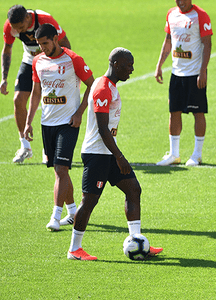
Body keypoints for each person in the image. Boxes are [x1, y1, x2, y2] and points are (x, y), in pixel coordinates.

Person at [67, 47, 163, 261]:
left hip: (107, 152)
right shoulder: (102, 88)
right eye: (129, 65)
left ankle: (137, 241)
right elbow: (102, 128)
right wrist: (119, 156)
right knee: (89, 200)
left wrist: (116, 155)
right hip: (97, 154)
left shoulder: (110, 85)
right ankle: (74, 249)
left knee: (133, 189)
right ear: (117, 64)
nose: (132, 69)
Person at [22, 24, 93, 231]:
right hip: (47, 123)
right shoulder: (37, 62)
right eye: (39, 44)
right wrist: (28, 122)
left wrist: (79, 112)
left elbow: (92, 84)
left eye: (45, 43)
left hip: (68, 123)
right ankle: (72, 212)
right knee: (59, 171)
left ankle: (55, 216)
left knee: (61, 168)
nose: (42, 48)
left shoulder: (73, 59)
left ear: (55, 39)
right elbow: (36, 93)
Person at [1, 5, 71, 163]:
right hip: (29, 61)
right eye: (15, 28)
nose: (18, 31)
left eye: (20, 27)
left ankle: (48, 148)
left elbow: (66, 44)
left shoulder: (46, 21)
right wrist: (4, 78)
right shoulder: (10, 26)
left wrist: (61, 70)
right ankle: (25, 146)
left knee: (49, 102)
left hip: (50, 62)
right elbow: (7, 49)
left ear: (27, 18)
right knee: (18, 100)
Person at [155, 0, 213, 166]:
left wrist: (203, 71)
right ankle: (174, 154)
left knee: (198, 113)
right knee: (174, 112)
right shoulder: (171, 14)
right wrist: (159, 65)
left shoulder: (200, 16)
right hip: (177, 73)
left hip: (194, 74)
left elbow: (207, 43)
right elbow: (168, 41)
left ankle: (197, 154)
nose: (181, 2)